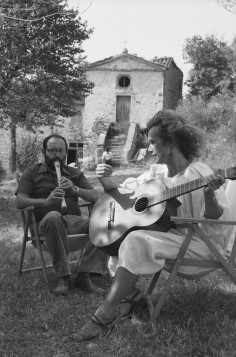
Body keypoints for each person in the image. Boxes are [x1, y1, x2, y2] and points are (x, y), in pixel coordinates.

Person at [70, 110, 231, 341]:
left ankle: (104, 314)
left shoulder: (199, 173)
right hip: (171, 238)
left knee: (134, 239)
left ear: (171, 143)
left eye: (153, 142)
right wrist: (106, 179)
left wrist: (208, 194)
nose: (149, 149)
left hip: (200, 242)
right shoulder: (158, 174)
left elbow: (214, 217)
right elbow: (125, 197)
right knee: (122, 237)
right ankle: (133, 297)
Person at [16, 134, 107, 296]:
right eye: (52, 151)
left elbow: (95, 197)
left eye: (60, 150)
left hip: (74, 222)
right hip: (45, 225)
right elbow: (19, 201)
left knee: (106, 223)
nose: (56, 154)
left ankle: (84, 274)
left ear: (65, 152)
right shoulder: (32, 172)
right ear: (44, 151)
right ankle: (63, 277)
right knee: (53, 216)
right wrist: (44, 202)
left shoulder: (74, 173)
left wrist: (75, 190)